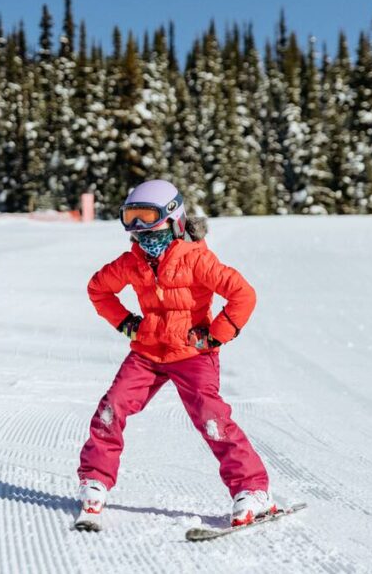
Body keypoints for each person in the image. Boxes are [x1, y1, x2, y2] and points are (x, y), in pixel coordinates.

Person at [74, 179, 270, 531]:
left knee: (211, 418)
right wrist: (127, 323)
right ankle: (95, 480)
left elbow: (243, 295)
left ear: (174, 219)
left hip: (191, 353)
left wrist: (214, 337)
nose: (141, 231)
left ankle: (253, 490)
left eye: (148, 219)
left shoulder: (196, 260)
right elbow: (98, 289)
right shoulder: (132, 262)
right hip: (149, 351)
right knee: (111, 407)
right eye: (132, 220)